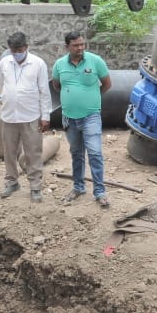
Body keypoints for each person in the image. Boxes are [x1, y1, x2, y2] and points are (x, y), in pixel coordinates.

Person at [52, 32, 112, 207]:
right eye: (76, 45)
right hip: (69, 117)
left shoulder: (95, 61)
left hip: (91, 116)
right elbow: (56, 85)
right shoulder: (59, 65)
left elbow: (107, 84)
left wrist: (91, 97)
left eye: (82, 44)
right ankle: (78, 187)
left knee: (95, 153)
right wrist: (71, 99)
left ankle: (100, 192)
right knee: (76, 154)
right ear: (67, 47)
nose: (80, 48)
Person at [0, 31, 51, 203]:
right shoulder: (5, 62)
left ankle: (35, 187)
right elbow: (0, 84)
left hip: (31, 116)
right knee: (9, 152)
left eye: (20, 49)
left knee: (33, 152)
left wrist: (46, 116)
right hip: (9, 116)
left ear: (26, 47)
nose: (17, 53)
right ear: (10, 49)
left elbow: (44, 91)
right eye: (13, 50)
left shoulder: (38, 64)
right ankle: (11, 182)